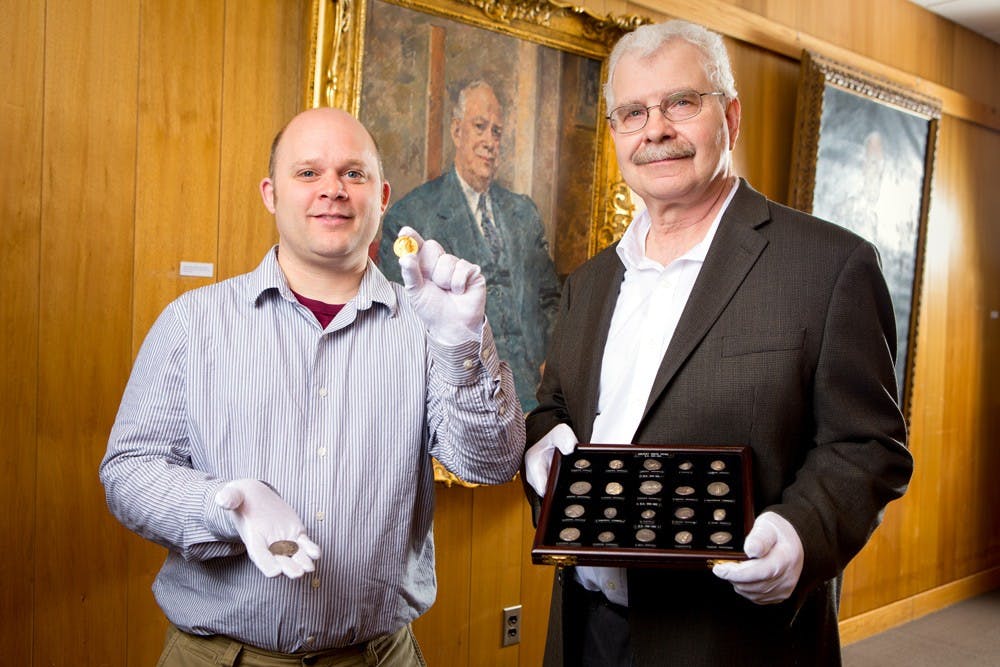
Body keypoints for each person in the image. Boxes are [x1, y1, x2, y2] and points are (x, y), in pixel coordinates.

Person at [522, 20, 913, 667]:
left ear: (729, 115)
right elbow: (555, 405)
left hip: (735, 641)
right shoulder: (588, 283)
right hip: (584, 629)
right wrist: (544, 442)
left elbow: (868, 446)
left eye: (681, 102)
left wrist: (800, 533)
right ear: (616, 133)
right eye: (633, 112)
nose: (656, 129)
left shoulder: (828, 264)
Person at [100, 107, 524, 666]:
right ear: (271, 194)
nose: (333, 190)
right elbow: (128, 472)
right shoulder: (191, 324)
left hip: (377, 657)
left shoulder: (430, 326)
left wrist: (463, 345)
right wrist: (226, 507)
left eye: (354, 173)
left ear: (383, 195)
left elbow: (488, 464)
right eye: (308, 174)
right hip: (218, 657)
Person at [378, 79, 561, 411]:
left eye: (496, 132)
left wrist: (553, 367)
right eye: (480, 127)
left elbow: (550, 300)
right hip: (461, 401)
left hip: (536, 399)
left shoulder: (522, 213)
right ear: (456, 131)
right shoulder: (413, 216)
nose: (490, 141)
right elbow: (400, 328)